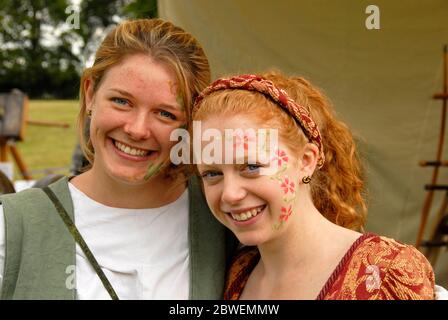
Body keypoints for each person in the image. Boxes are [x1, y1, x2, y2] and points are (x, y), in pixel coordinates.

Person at [0, 18, 235, 300]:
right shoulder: (11, 227)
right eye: (122, 101)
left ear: (190, 123)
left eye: (165, 114)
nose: (136, 130)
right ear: (90, 93)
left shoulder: (226, 218)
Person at [192, 71, 436, 299]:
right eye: (212, 174)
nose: (230, 194)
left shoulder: (385, 272)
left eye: (251, 167)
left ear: (306, 161)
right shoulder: (236, 274)